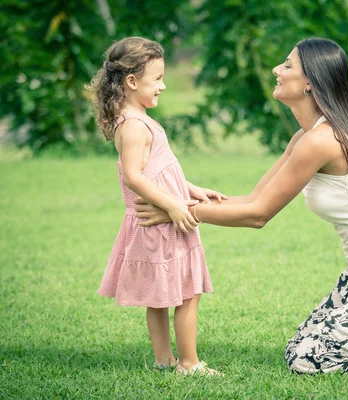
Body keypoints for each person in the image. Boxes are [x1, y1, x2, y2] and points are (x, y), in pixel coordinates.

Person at [134, 37, 348, 374]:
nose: (277, 69)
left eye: (287, 65)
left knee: (308, 361)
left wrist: (182, 213)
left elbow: (258, 215)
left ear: (310, 83)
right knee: (297, 347)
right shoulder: (306, 137)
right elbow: (252, 198)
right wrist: (179, 203)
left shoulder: (322, 140)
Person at [86, 36, 226, 376]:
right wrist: (175, 206)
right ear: (132, 82)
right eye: (157, 79)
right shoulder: (133, 126)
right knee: (187, 294)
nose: (163, 86)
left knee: (159, 298)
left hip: (159, 221)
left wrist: (192, 190)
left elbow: (159, 170)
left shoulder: (138, 119)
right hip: (161, 223)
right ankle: (189, 364)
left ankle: (165, 361)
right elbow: (134, 177)